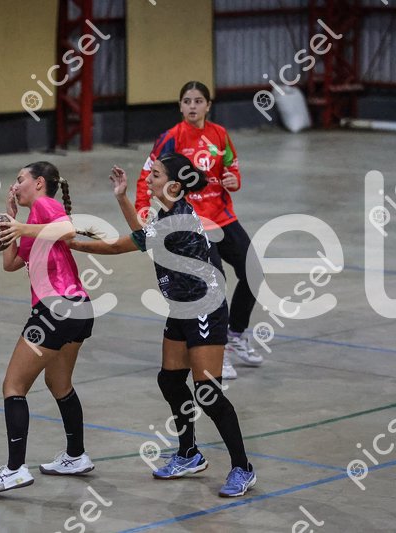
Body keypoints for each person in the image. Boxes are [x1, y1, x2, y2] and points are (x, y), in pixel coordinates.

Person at [69, 153, 256, 497]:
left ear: (173, 184)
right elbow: (142, 235)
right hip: (182, 307)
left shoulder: (177, 221)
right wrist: (122, 198)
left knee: (208, 393)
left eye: (155, 175)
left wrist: (73, 244)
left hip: (205, 308)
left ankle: (242, 467)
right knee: (170, 380)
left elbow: (123, 245)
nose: (149, 179)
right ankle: (189, 453)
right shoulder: (168, 214)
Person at [0, 162, 95, 495]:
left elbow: (67, 229)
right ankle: (76, 456)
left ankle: (15, 470)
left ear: (39, 183)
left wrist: (22, 227)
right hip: (79, 309)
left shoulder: (45, 205)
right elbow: (11, 264)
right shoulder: (32, 221)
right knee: (59, 383)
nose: (15, 186)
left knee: (13, 385)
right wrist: (11, 220)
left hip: (54, 308)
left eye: (20, 180)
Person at [134, 81, 262, 380]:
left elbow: (231, 166)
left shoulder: (220, 134)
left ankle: (236, 334)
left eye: (198, 101)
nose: (193, 106)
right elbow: (146, 174)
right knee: (215, 283)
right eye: (187, 101)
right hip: (194, 223)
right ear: (180, 106)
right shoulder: (171, 138)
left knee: (253, 273)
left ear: (208, 105)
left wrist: (234, 180)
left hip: (223, 217)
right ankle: (218, 350)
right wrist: (143, 209)